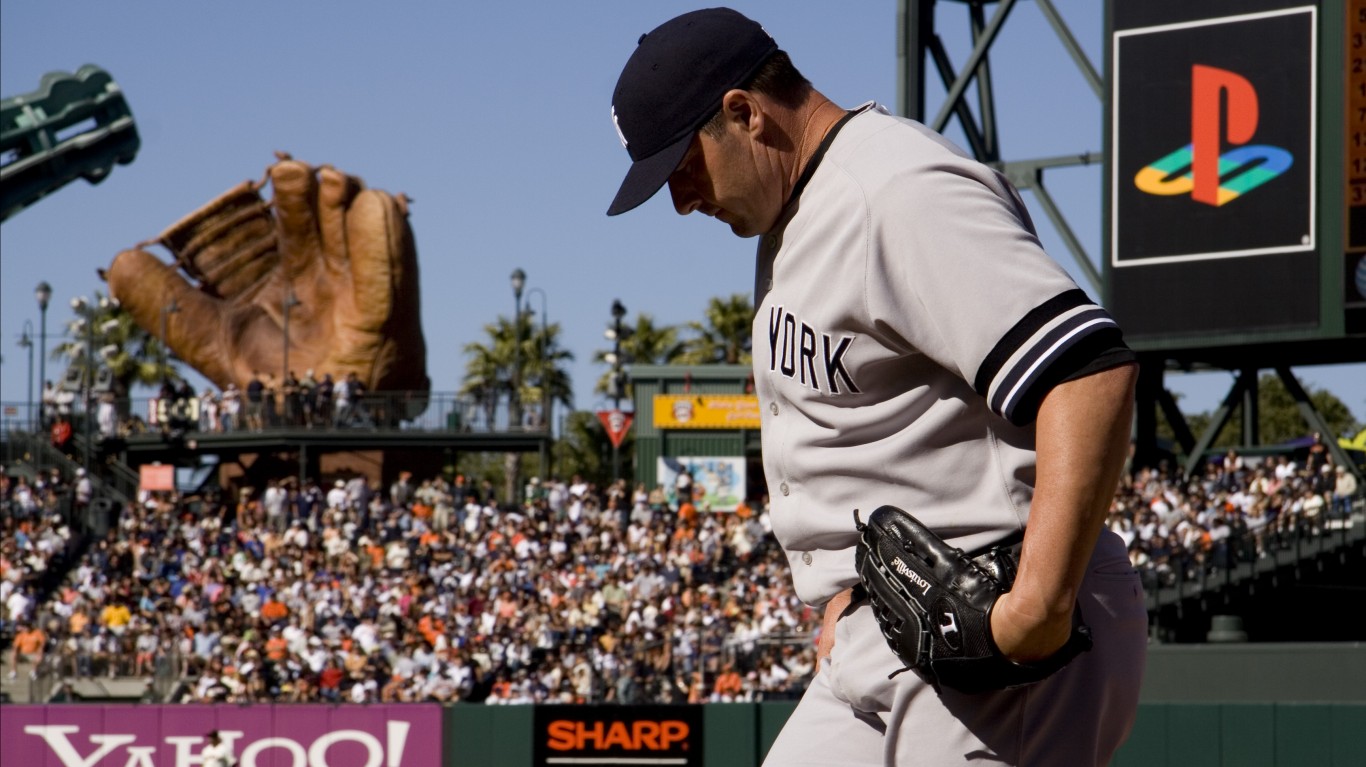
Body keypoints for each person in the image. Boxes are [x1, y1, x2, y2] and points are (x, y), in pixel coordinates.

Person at [605, 9, 1146, 765]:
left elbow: (1088, 371)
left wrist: (1034, 608)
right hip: (900, 623)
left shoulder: (894, 188)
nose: (681, 197)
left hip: (988, 627)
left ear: (743, 112)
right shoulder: (801, 211)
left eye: (681, 164)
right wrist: (844, 594)